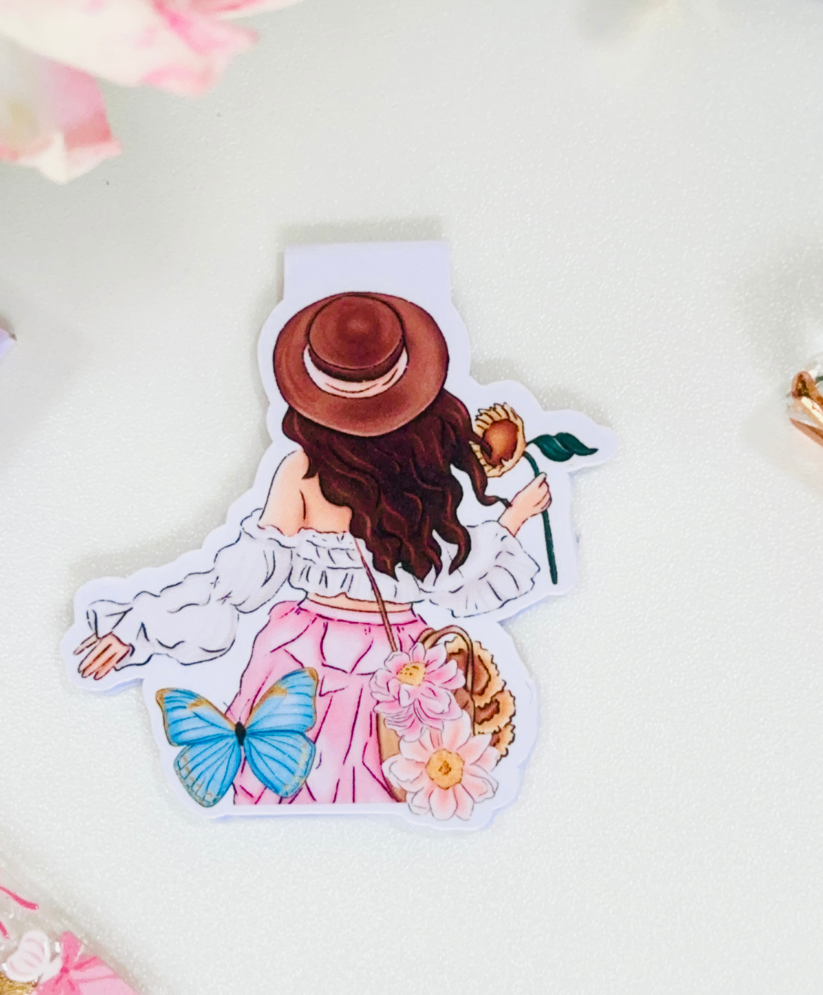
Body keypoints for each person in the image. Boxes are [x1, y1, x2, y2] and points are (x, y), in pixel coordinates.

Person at [75, 292, 550, 804]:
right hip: (401, 663)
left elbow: (236, 580)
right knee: (393, 788)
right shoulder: (421, 477)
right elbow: (460, 574)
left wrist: (141, 627)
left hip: (306, 656)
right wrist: (514, 518)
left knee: (308, 790)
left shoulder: (302, 472)